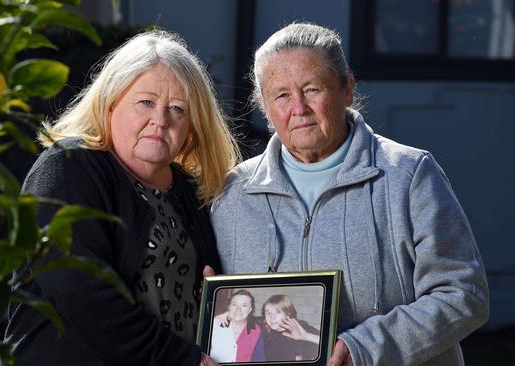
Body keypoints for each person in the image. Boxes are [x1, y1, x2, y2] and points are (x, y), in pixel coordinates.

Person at [211, 22, 489, 366]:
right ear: (263, 106)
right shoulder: (233, 194)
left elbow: (463, 294)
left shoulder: (409, 176)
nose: (298, 108)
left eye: (312, 89)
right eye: (281, 95)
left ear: (348, 89)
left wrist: (364, 347)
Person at [3, 30, 240, 366]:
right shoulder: (67, 168)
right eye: (145, 102)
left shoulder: (187, 189)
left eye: (177, 110)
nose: (160, 120)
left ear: (192, 126)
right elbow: (84, 295)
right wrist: (186, 360)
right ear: (110, 103)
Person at [253, 294, 319, 362]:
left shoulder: (301, 328)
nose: (272, 318)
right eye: (268, 313)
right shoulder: (264, 329)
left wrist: (306, 336)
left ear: (288, 314)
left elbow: (328, 342)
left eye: (278, 312)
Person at [209, 289, 262, 363]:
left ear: (250, 309)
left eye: (244, 305)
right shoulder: (215, 324)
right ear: (229, 307)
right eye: (234, 304)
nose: (238, 309)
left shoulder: (256, 330)